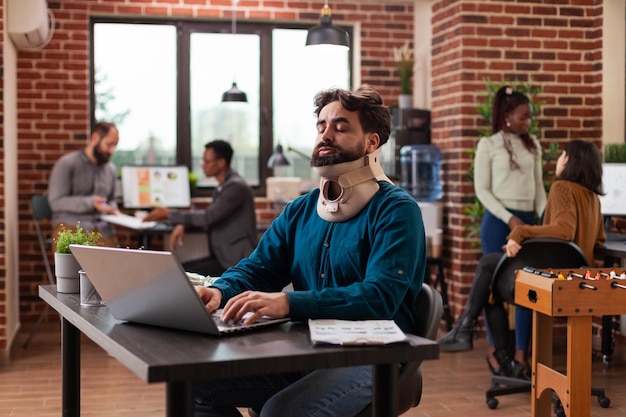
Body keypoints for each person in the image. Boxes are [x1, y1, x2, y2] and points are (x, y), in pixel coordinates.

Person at [192, 85, 427, 417]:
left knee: (279, 412)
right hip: (309, 349)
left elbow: (380, 297)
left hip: (374, 356)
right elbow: (259, 268)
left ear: (371, 142)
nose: (326, 134)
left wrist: (288, 302)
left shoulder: (396, 210)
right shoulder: (300, 210)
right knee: (194, 384)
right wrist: (219, 290)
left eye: (341, 127)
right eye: (321, 126)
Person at [439, 139, 605, 378]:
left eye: (561, 155)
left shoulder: (563, 188)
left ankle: (469, 330)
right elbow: (598, 238)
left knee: (488, 271)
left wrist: (522, 231)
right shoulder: (592, 199)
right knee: (490, 276)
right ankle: (486, 343)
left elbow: (564, 231)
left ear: (568, 160)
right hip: (575, 280)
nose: (558, 161)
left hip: (552, 279)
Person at [439, 86, 547, 375]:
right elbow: (482, 191)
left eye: (530, 118)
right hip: (499, 222)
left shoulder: (532, 144)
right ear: (507, 117)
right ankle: (497, 353)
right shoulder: (488, 145)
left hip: (528, 223)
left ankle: (521, 356)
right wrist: (510, 219)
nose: (529, 122)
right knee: (494, 288)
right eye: (524, 117)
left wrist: (544, 221)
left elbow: (539, 190)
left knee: (528, 288)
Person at [143, 140, 257, 277]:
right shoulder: (223, 186)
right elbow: (211, 215)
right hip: (222, 258)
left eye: (206, 161)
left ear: (221, 162)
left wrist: (169, 213)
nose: (202, 165)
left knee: (178, 274)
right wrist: (184, 223)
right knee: (177, 271)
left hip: (235, 262)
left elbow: (208, 218)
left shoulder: (235, 187)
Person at [48, 121, 120, 250]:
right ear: (95, 138)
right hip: (70, 225)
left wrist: (112, 208)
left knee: (116, 266)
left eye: (115, 146)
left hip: (102, 229)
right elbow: (56, 202)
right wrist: (91, 202)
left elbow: (112, 200)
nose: (112, 151)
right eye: (109, 144)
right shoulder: (66, 164)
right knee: (68, 265)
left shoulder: (110, 169)